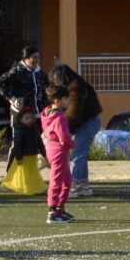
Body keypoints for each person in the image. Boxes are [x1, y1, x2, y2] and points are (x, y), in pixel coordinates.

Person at [51, 62, 105, 197]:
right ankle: (84, 186)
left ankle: (72, 186)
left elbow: (74, 113)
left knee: (78, 155)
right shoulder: (80, 84)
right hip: (91, 121)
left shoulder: (75, 89)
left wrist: (65, 128)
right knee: (81, 154)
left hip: (87, 123)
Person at [40, 85, 76, 225]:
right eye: (66, 99)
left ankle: (60, 208)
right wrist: (73, 144)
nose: (68, 101)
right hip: (59, 150)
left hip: (52, 147)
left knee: (66, 180)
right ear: (57, 100)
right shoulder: (59, 117)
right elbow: (64, 138)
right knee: (57, 180)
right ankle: (53, 210)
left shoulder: (47, 112)